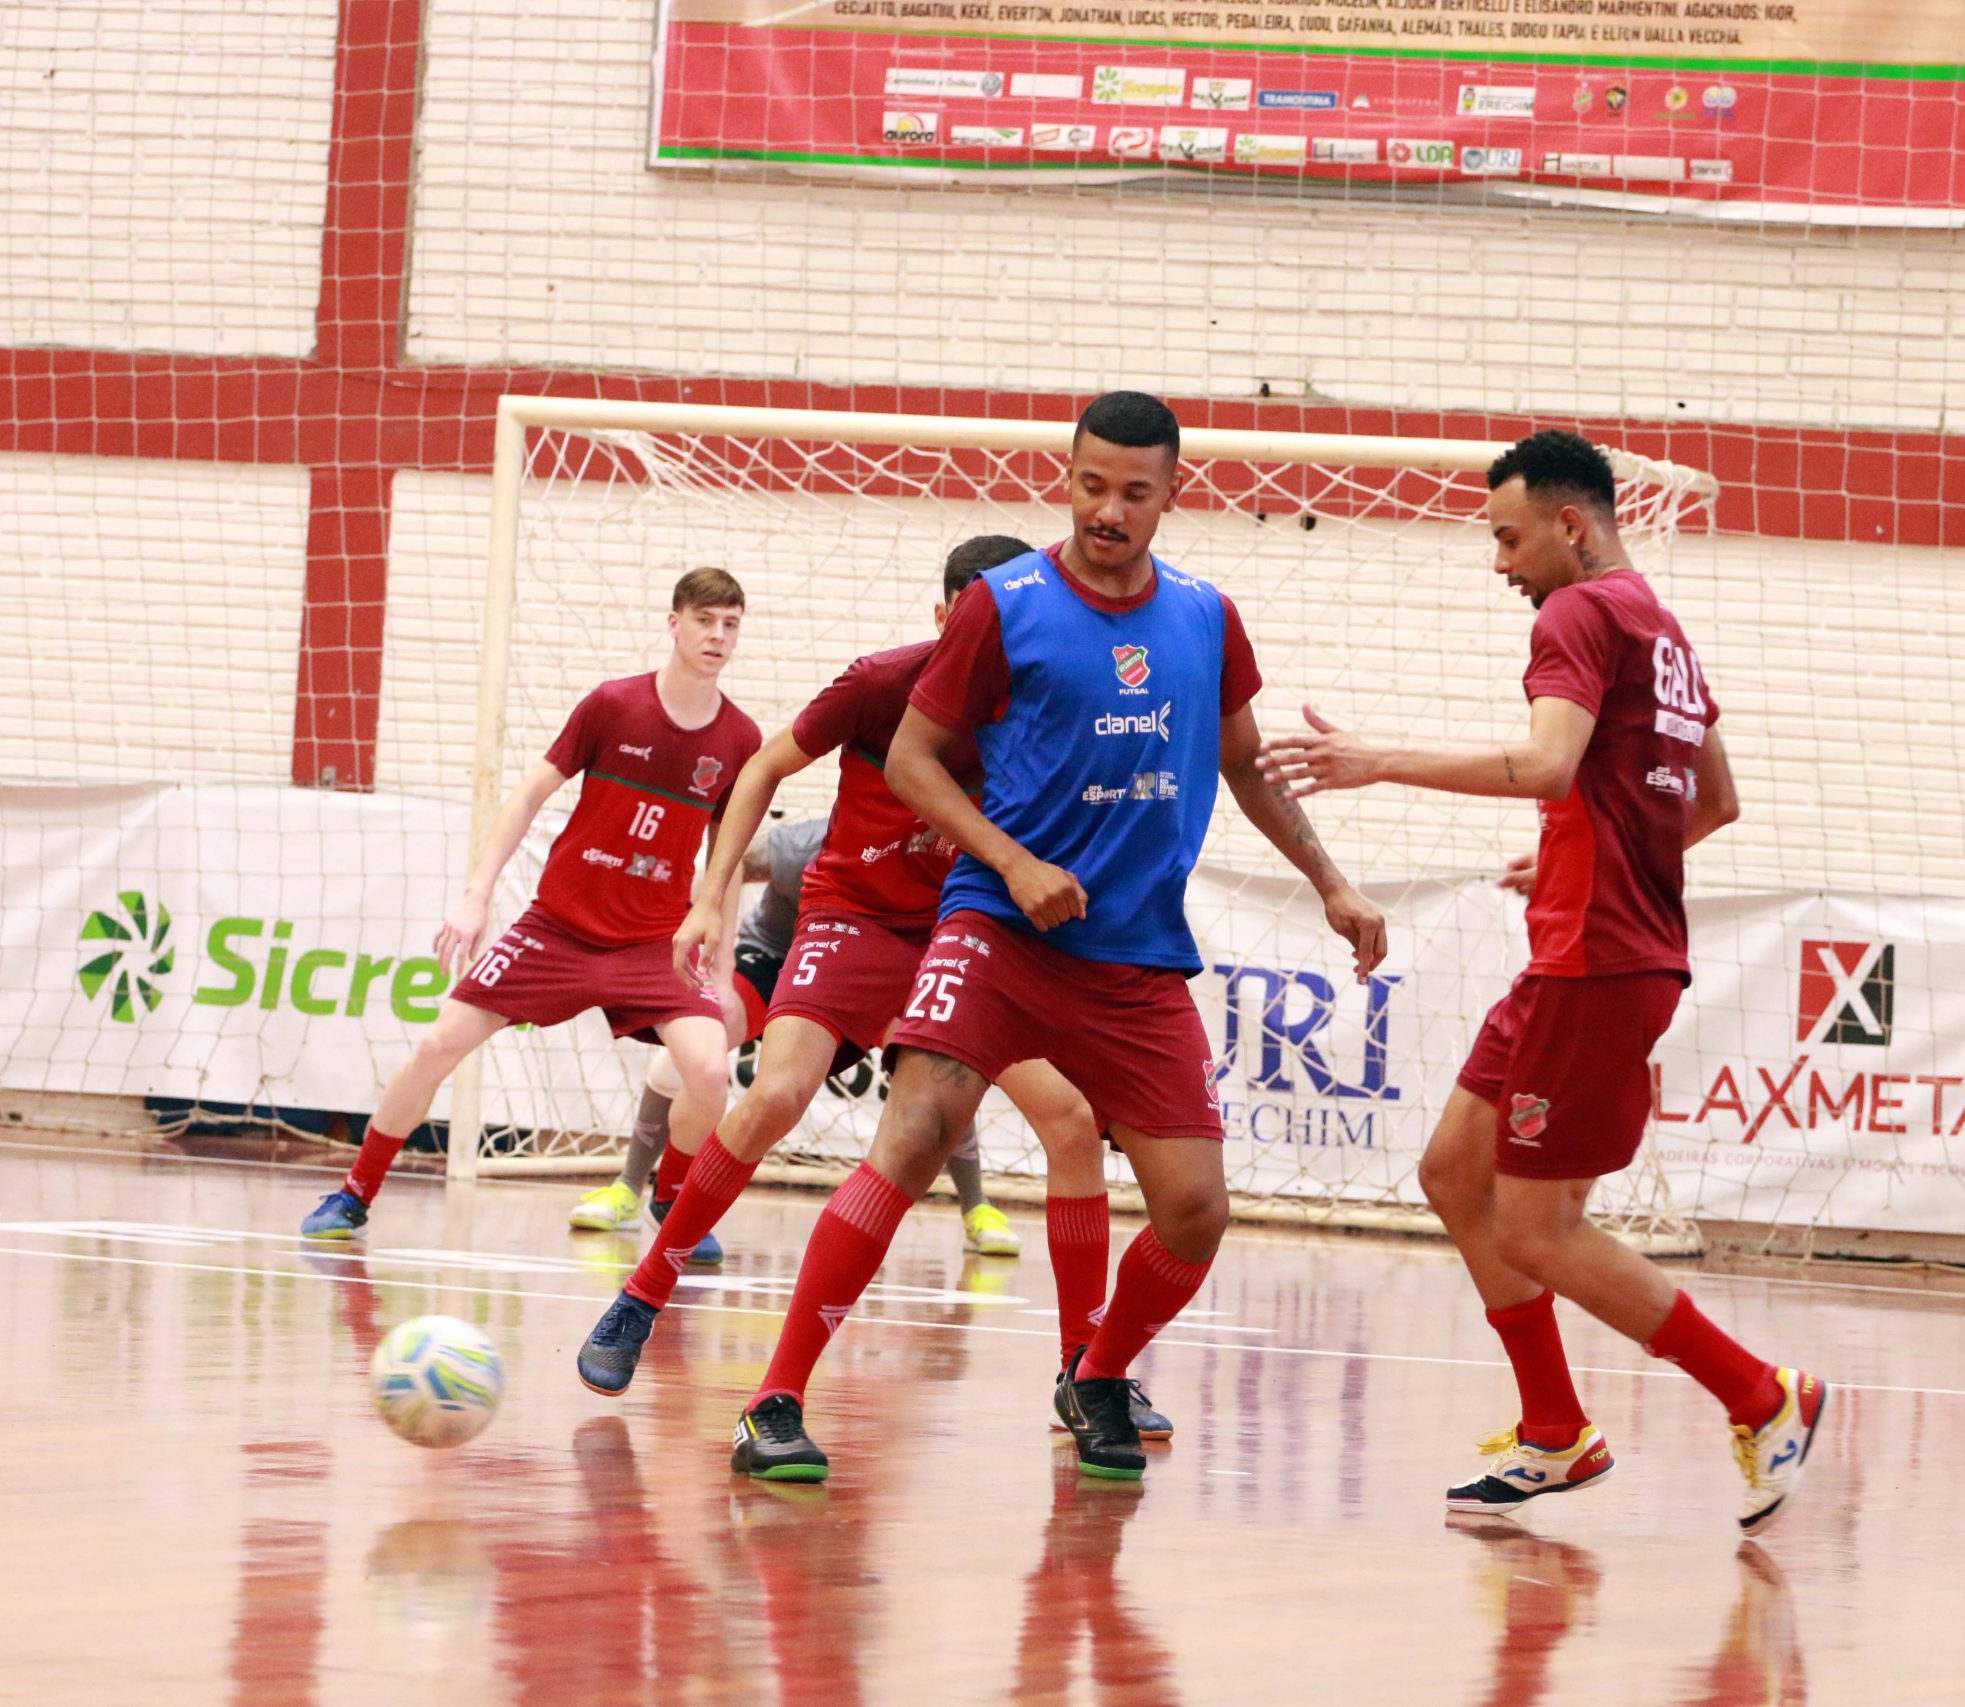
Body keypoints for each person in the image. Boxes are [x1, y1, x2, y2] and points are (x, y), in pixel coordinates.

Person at [727, 391, 1386, 1484]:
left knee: (1194, 1210)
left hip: (1133, 955)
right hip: (1000, 928)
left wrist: (1332, 882)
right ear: (1067, 477)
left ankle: (1096, 1374)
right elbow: (911, 763)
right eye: (1089, 485)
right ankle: (773, 1401)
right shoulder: (1004, 604)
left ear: (1173, 494)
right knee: (918, 1131)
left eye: (1133, 492)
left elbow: (1243, 762)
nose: (1106, 511)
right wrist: (1013, 860)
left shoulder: (1207, 618)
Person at [1256, 428, 1826, 1536]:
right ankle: (1556, 1429)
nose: (1499, 563)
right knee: (1453, 1175)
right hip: (1584, 947)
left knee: (1539, 1229)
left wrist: (1375, 759)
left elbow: (1546, 763)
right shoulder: (1660, 625)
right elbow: (1710, 802)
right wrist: (1569, 850)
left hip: (1598, 965)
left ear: (1569, 527)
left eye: (1510, 538)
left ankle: (1762, 1395)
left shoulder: (1575, 613)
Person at [577, 537, 1157, 1442]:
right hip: (853, 918)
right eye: (969, 619)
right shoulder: (881, 682)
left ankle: (1085, 1368)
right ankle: (646, 1289)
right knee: (777, 1092)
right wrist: (704, 899)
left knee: (1072, 1120)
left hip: (968, 931)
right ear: (942, 617)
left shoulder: (1049, 699)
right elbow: (763, 768)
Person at [297, 570, 762, 1239]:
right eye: (705, 620)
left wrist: (717, 971)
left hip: (653, 942)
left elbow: (729, 857)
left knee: (710, 1068)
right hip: (558, 930)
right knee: (436, 1045)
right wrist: (474, 896)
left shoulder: (740, 738)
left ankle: (672, 1203)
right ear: (674, 622)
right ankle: (354, 1192)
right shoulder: (612, 705)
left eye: (731, 624)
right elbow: (527, 796)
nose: (718, 636)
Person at [569, 813, 1024, 1258]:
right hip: (776, 957)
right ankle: (632, 1187)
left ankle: (976, 1207)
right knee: (699, 1042)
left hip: (874, 971)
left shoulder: (944, 857)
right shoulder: (808, 846)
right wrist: (722, 976)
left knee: (937, 1069)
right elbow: (735, 862)